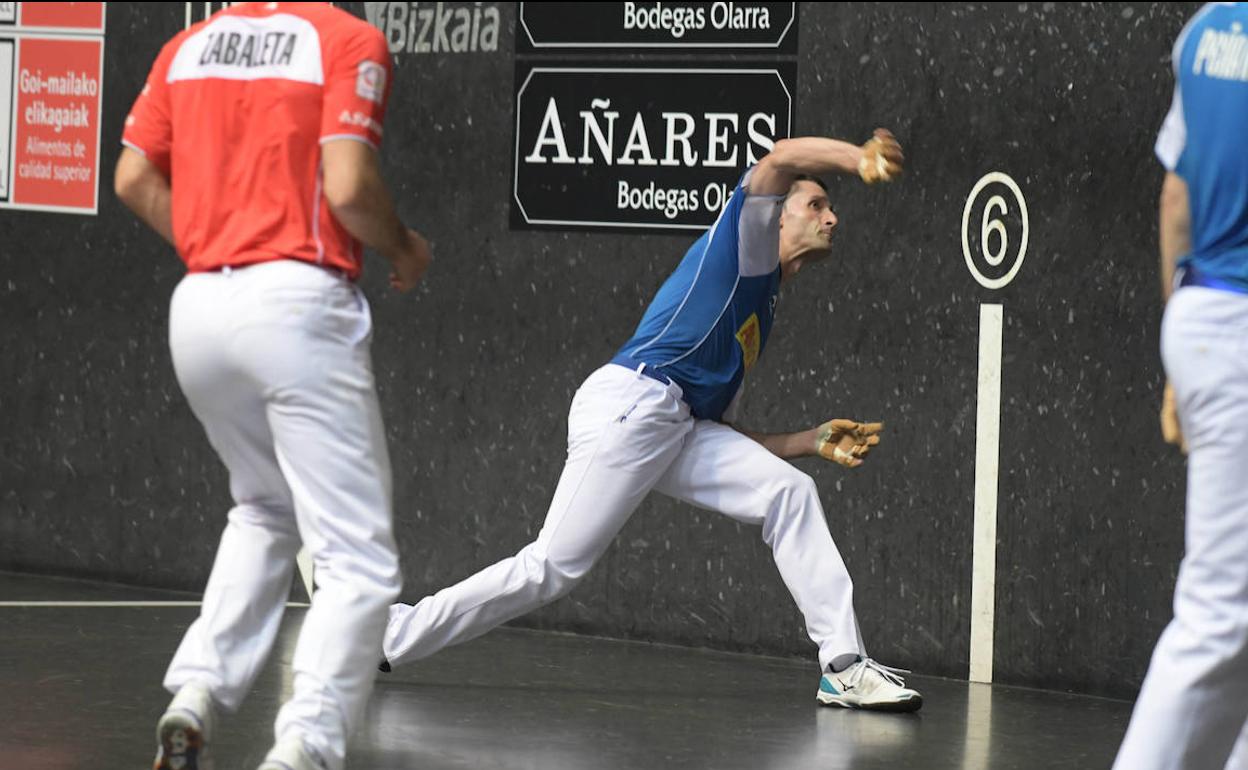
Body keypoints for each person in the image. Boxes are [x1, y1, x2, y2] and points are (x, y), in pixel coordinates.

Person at [381, 129, 923, 712]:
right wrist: (855, 158)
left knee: (789, 491)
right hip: (633, 404)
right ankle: (388, 633)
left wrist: (809, 441)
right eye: (817, 204)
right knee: (552, 567)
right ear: (776, 217)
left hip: (676, 422)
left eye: (831, 206)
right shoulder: (744, 241)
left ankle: (842, 666)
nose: (831, 217)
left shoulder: (761, 307)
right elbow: (781, 157)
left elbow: (721, 433)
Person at [113, 3, 432, 769]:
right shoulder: (345, 39)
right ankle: (306, 747)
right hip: (295, 303)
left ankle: (195, 692)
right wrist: (405, 247)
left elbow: (131, 177)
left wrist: (211, 242)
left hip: (200, 307)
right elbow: (349, 187)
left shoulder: (187, 45)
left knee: (263, 508)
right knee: (357, 559)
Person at [1114, 3, 1248, 768]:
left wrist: (1178, 359)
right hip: (1239, 323)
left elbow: (1176, 199)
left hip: (1201, 316)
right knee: (1220, 614)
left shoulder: (1202, 32)